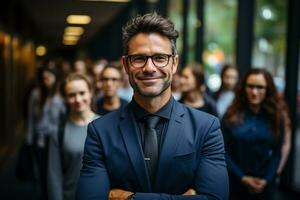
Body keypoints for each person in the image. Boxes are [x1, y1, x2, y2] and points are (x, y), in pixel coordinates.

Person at [77, 12, 228, 200]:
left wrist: (129, 198)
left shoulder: (206, 127)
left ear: (174, 63)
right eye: (139, 58)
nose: (149, 68)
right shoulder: (100, 131)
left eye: (159, 58)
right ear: (125, 65)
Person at [222, 68, 285, 200]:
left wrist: (267, 179)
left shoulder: (276, 117)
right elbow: (223, 151)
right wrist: (242, 177)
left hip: (264, 186)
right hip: (235, 184)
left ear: (268, 90)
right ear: (243, 87)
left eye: (260, 87)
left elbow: (277, 153)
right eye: (250, 86)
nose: (254, 92)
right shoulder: (230, 115)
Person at [48, 73, 99, 200]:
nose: (78, 99)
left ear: (91, 93)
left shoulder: (107, 125)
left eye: (82, 93)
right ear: (65, 98)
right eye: (71, 95)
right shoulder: (58, 132)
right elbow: (54, 175)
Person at [26, 66, 65, 199]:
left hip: (57, 139)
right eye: (43, 78)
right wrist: (29, 139)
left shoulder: (61, 95)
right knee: (42, 172)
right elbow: (31, 118)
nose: (46, 81)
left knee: (55, 172)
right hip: (41, 139)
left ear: (55, 78)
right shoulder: (36, 94)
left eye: (49, 78)